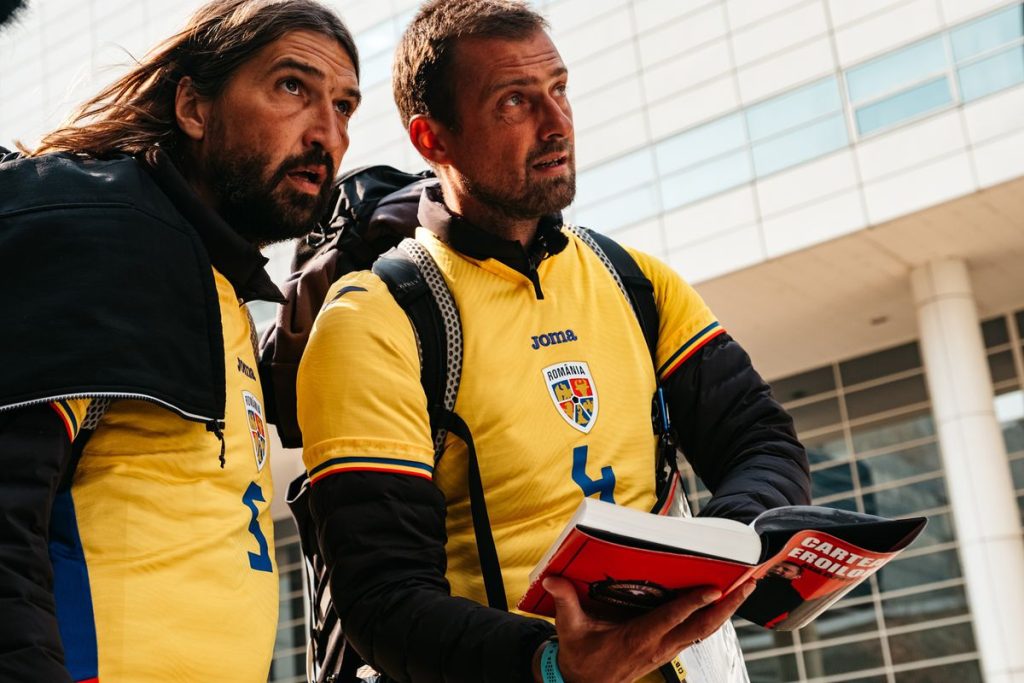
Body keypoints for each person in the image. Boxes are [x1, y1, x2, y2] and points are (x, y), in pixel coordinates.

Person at [294, 1, 810, 681]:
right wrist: (552, 665)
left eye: (559, 89)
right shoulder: (373, 319)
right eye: (514, 101)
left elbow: (761, 441)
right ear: (432, 139)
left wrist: (722, 544)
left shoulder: (636, 280)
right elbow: (383, 599)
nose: (555, 122)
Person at [0, 1, 359, 681]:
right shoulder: (103, 236)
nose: (327, 133)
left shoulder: (221, 288)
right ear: (194, 107)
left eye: (344, 106)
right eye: (293, 87)